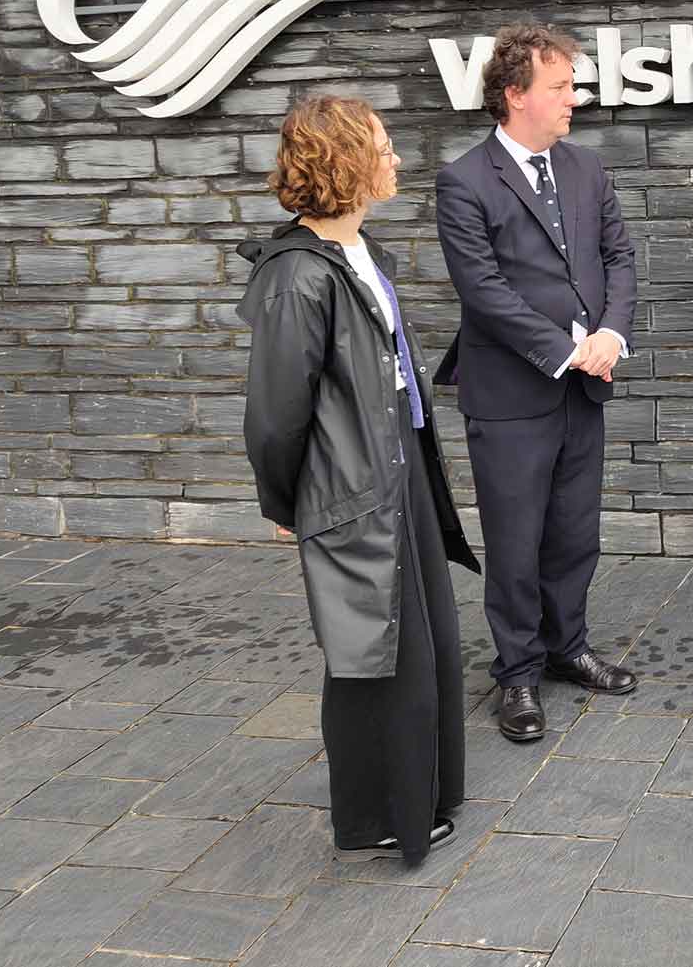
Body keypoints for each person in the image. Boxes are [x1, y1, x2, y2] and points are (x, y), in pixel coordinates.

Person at [239, 95, 480, 865]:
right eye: (384, 145)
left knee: (428, 641)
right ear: (344, 159)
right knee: (374, 653)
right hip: (352, 488)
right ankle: (380, 815)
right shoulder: (298, 278)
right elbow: (277, 414)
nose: (399, 158)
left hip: (399, 473)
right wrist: (286, 502)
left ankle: (428, 796)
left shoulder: (360, 254)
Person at [434, 23, 638, 744]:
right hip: (513, 395)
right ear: (515, 94)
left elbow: (618, 256)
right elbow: (484, 291)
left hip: (585, 388)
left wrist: (610, 335)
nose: (572, 99)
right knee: (516, 540)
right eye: (559, 87)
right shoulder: (463, 182)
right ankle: (517, 671)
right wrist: (565, 351)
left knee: (575, 530)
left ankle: (566, 645)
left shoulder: (586, 169)